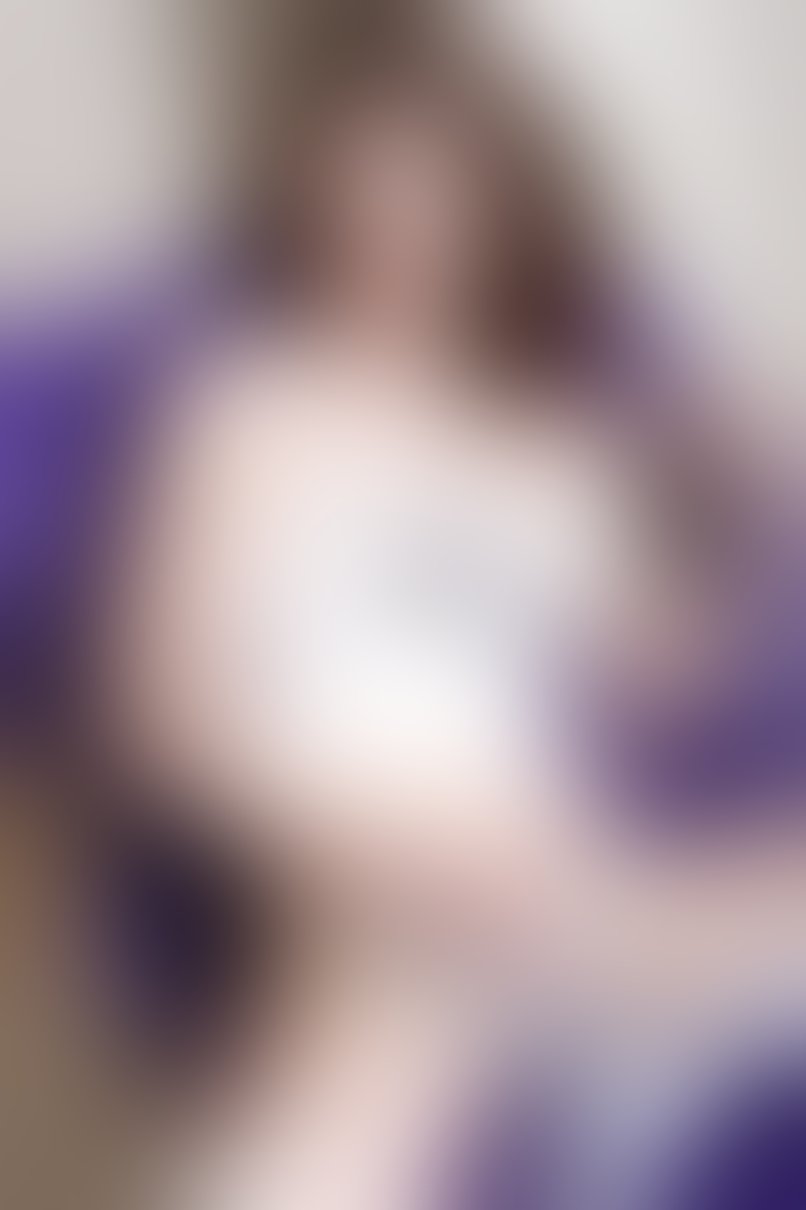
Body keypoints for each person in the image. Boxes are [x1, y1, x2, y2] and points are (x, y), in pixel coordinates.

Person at [88, 8, 806, 1208]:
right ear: (311, 197)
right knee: (352, 1120)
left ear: (497, 203)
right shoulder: (251, 409)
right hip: (365, 900)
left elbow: (659, 669)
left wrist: (729, 488)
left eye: (436, 191)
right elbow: (164, 719)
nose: (398, 229)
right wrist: (381, 838)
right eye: (362, 192)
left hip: (556, 894)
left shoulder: (548, 442)